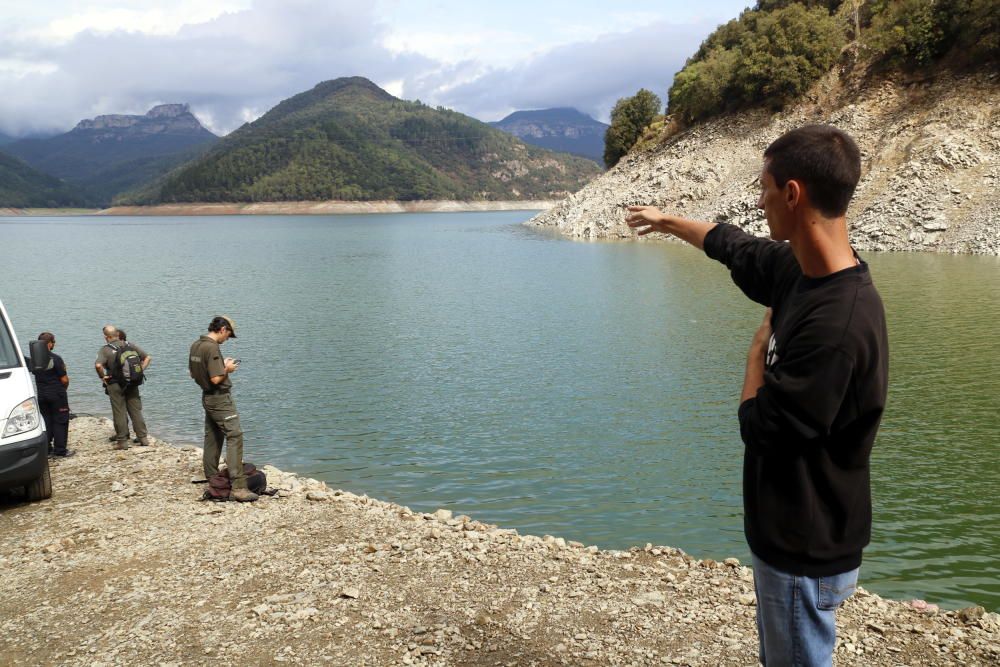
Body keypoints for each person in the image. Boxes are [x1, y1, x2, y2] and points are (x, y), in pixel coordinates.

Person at [625, 124, 888, 666]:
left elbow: (762, 426)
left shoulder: (836, 325)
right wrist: (667, 221)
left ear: (793, 194)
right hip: (793, 535)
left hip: (803, 545)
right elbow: (734, 246)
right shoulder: (802, 271)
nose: (759, 202)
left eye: (764, 189)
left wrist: (753, 355)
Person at [188, 315, 257, 502]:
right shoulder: (211, 347)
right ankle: (238, 487)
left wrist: (219, 366)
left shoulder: (196, 345)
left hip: (207, 397)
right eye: (229, 335)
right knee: (235, 435)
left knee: (213, 435)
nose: (227, 339)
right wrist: (227, 369)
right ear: (223, 329)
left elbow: (192, 373)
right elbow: (216, 379)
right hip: (220, 400)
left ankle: (212, 477)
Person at [94, 325, 151, 449]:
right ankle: (143, 438)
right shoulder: (130, 345)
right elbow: (147, 357)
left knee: (119, 411)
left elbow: (98, 365)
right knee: (135, 410)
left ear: (106, 337)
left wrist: (102, 377)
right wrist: (141, 370)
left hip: (115, 384)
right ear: (117, 334)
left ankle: (122, 441)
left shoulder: (105, 350)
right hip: (132, 382)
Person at [32, 332, 74, 458]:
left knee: (46, 421)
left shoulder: (34, 360)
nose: (54, 343)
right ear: (49, 344)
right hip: (56, 394)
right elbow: (65, 380)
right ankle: (60, 450)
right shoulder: (55, 358)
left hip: (42, 395)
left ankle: (47, 450)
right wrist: (63, 390)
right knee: (60, 420)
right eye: (54, 341)